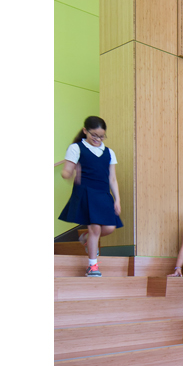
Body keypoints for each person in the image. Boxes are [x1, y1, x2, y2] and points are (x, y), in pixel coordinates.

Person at [56, 116, 123, 278]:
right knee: (95, 228)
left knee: (109, 227)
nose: (98, 139)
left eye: (101, 136)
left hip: (103, 193)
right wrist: (72, 172)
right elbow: (65, 173)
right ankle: (92, 266)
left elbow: (112, 178)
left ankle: (84, 237)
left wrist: (117, 199)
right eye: (94, 135)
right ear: (85, 131)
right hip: (86, 191)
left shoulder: (109, 152)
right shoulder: (76, 148)